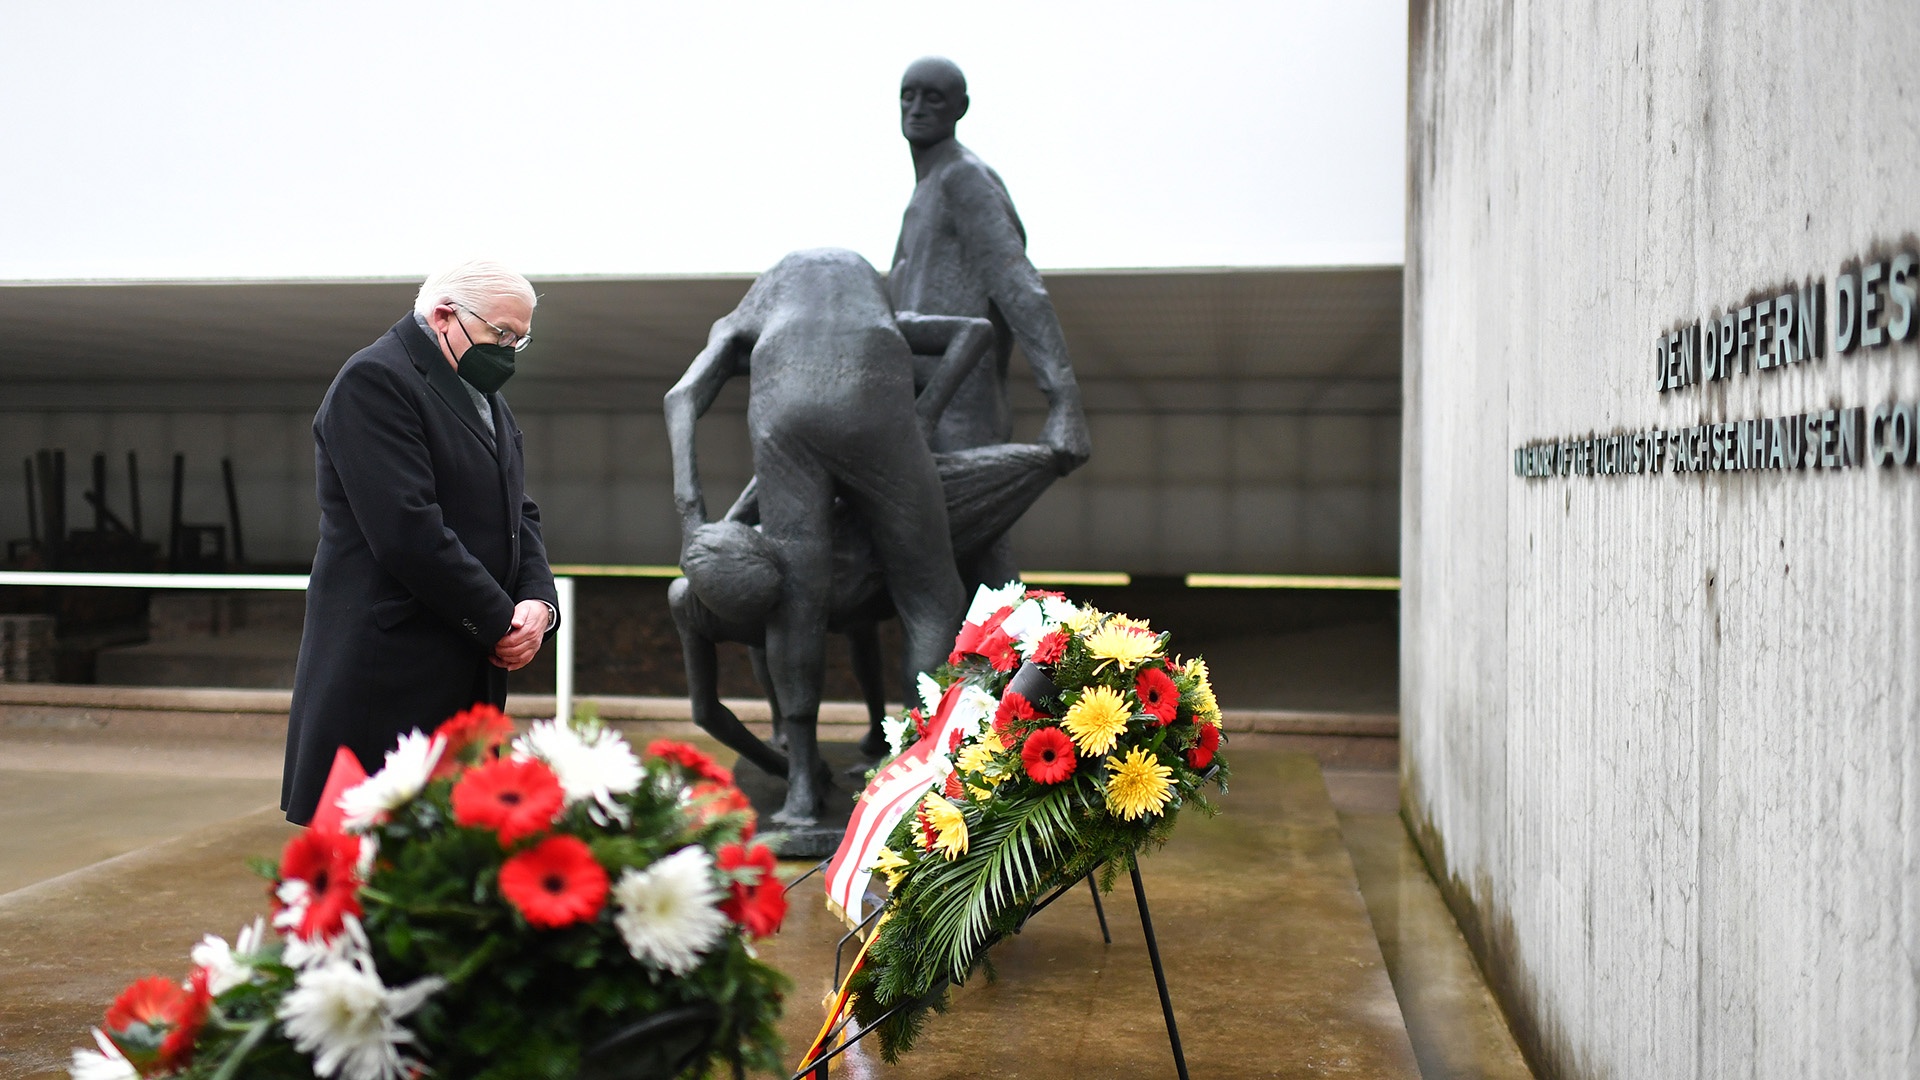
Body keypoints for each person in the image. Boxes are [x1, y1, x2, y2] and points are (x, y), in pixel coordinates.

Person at [665, 247, 992, 825]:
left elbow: (682, 395)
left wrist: (695, 521)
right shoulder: (876, 307)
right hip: (875, 388)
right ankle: (923, 776)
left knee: (796, 598)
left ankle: (800, 794)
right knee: (931, 594)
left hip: (785, 407)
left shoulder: (746, 316)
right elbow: (974, 332)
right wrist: (926, 413)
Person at [281, 260, 559, 826]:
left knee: (450, 859)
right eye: (500, 335)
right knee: (372, 863)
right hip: (391, 668)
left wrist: (538, 602)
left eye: (519, 341)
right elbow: (407, 531)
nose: (507, 351)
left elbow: (517, 509)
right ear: (442, 315)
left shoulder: (482, 396)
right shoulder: (375, 380)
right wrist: (500, 620)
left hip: (461, 658)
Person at [890, 55, 1093, 590]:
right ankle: (984, 671)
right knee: (939, 563)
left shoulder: (965, 179)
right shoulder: (923, 193)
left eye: (934, 97)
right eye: (908, 95)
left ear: (961, 108)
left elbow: (1017, 284)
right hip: (921, 402)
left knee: (980, 553)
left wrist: (1064, 401)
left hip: (963, 405)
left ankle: (1026, 668)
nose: (917, 108)